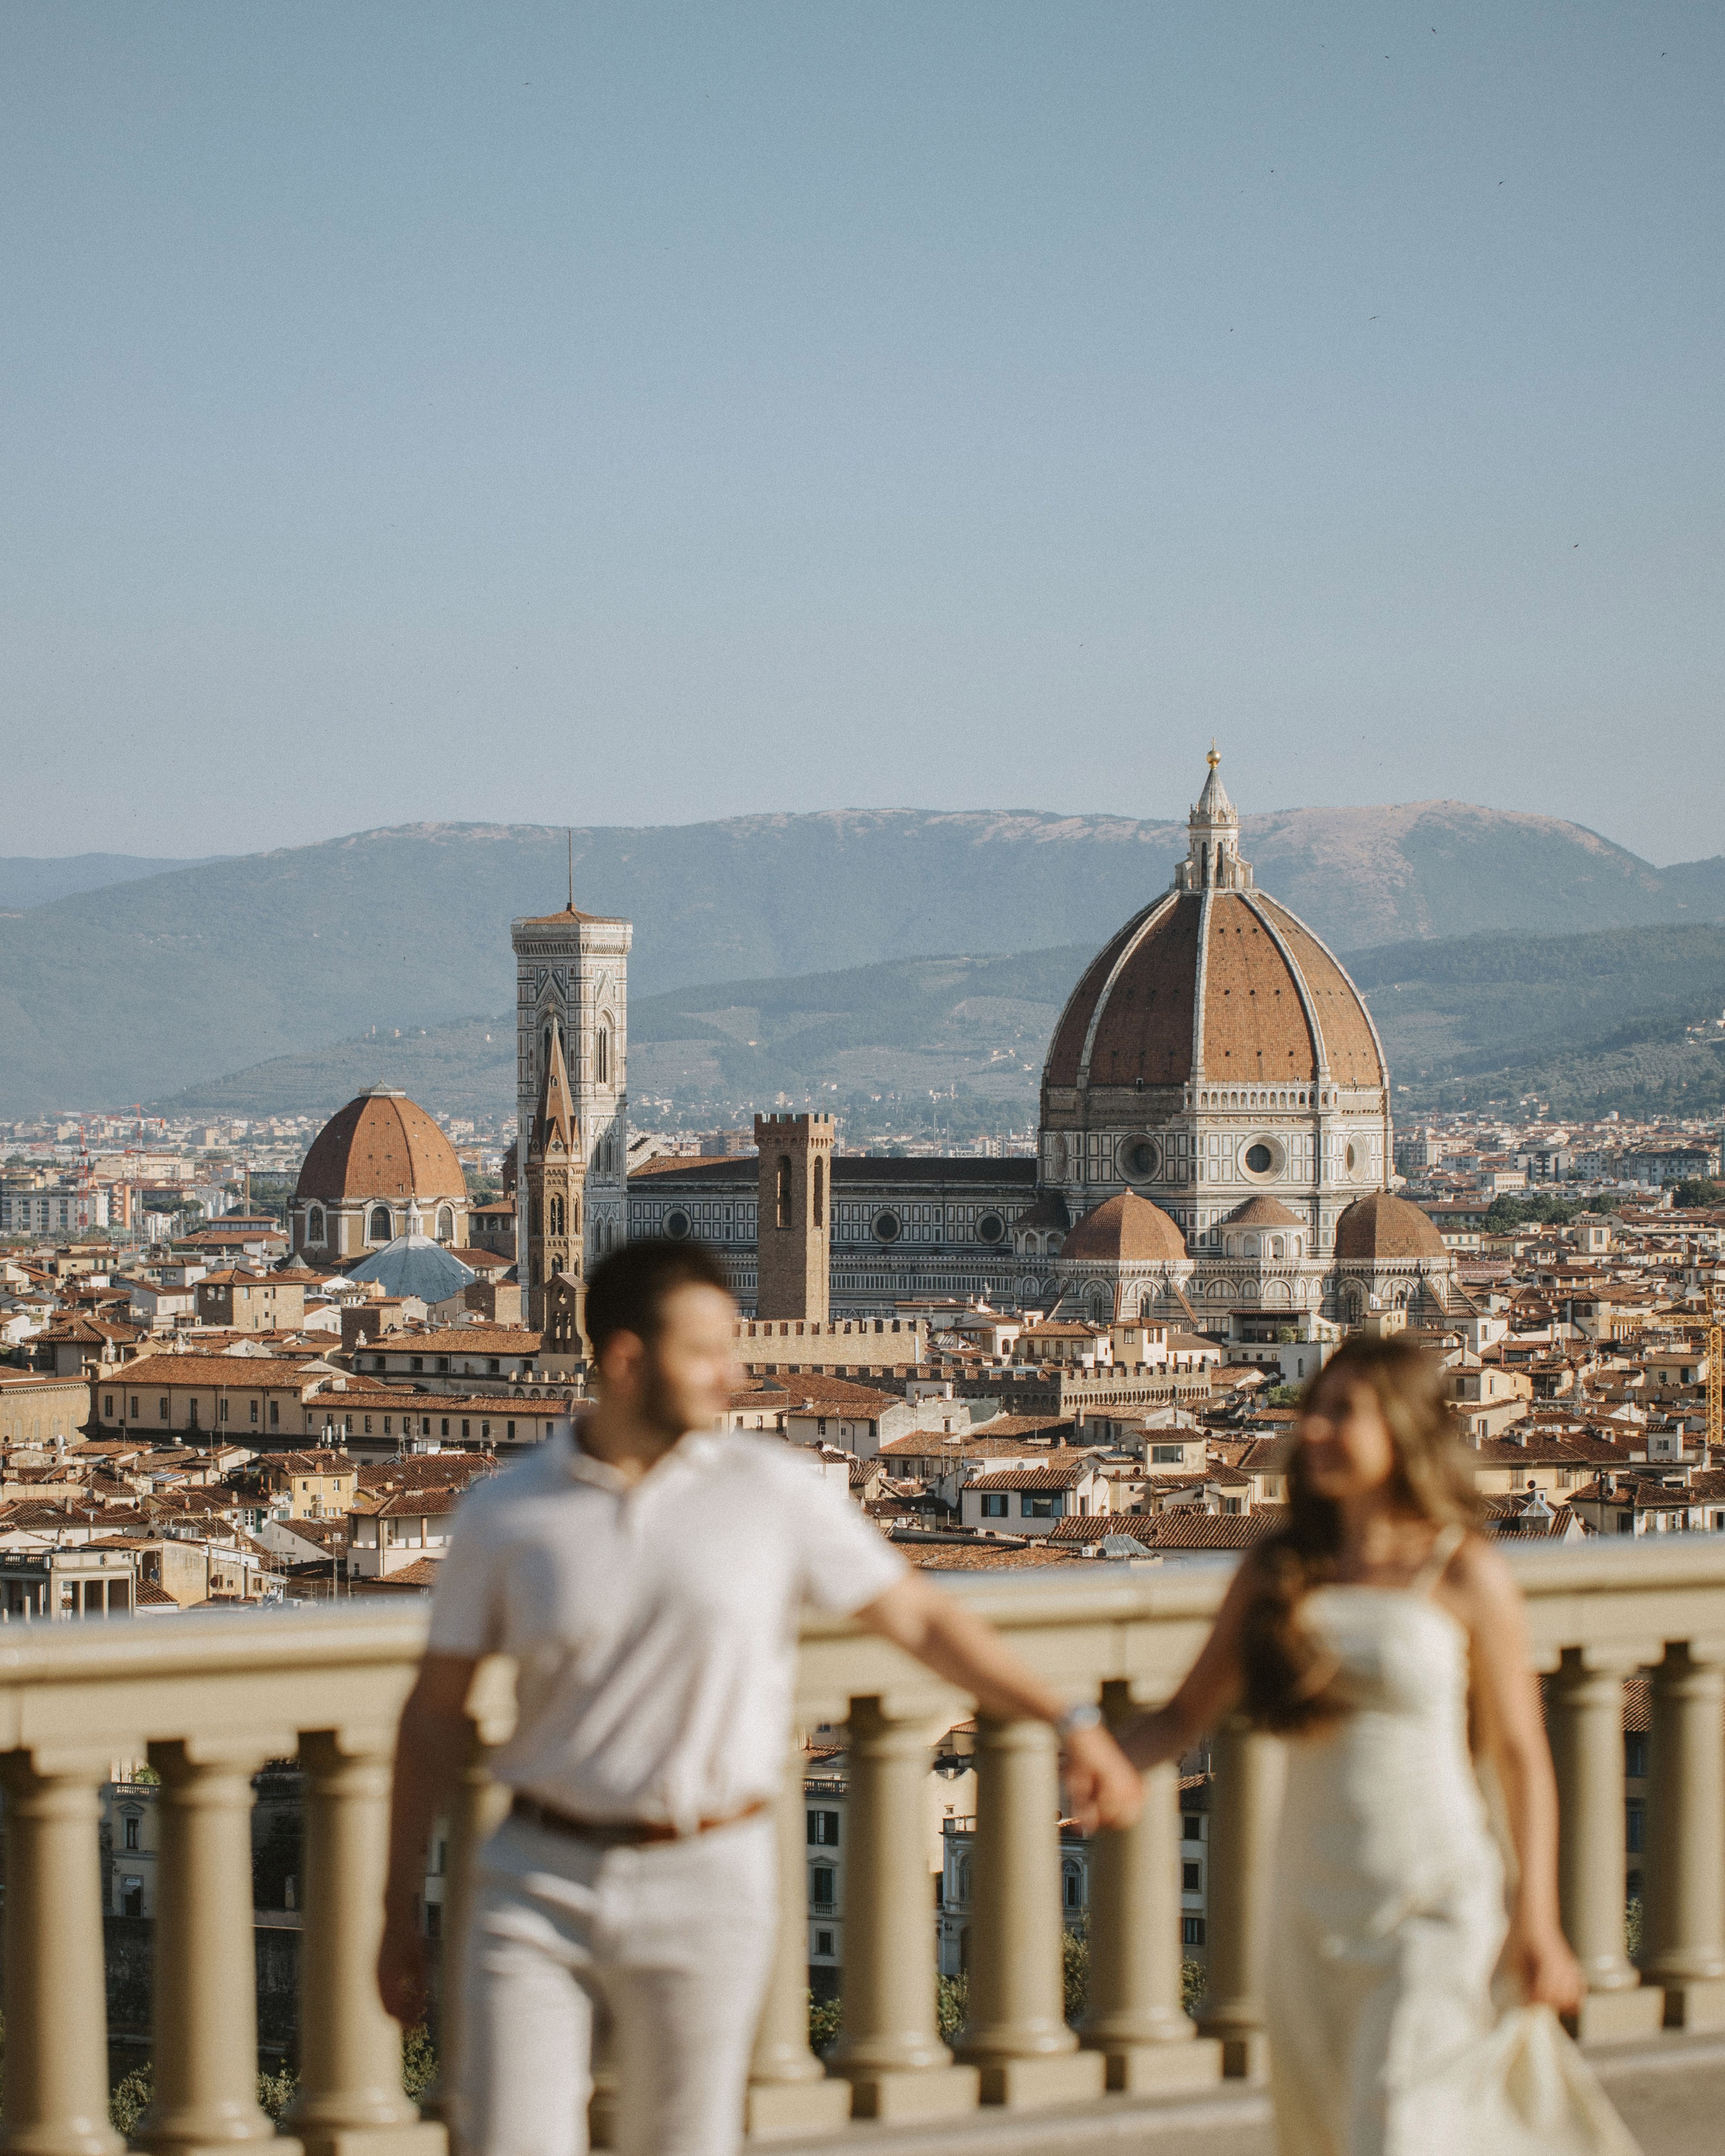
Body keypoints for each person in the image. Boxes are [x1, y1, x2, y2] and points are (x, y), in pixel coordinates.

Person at [377, 1238, 1141, 2156]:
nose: (734, 1377)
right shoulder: (507, 1514)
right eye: (707, 1353)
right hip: (537, 1880)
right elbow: (432, 1716)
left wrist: (1071, 1718)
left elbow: (924, 1623)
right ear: (626, 1360)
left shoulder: (773, 1492)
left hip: (710, 1877)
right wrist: (394, 1913)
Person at [1121, 1335, 1637, 2156]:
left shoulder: (1463, 1569)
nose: (1315, 1431)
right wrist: (1101, 1762)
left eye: (1342, 1413)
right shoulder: (1277, 1568)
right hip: (1312, 1901)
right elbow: (1185, 1712)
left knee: (1395, 2128)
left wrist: (1536, 1916)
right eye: (1312, 1412)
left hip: (1436, 1897)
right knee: (1326, 2133)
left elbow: (1521, 1755)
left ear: (1400, 1428)